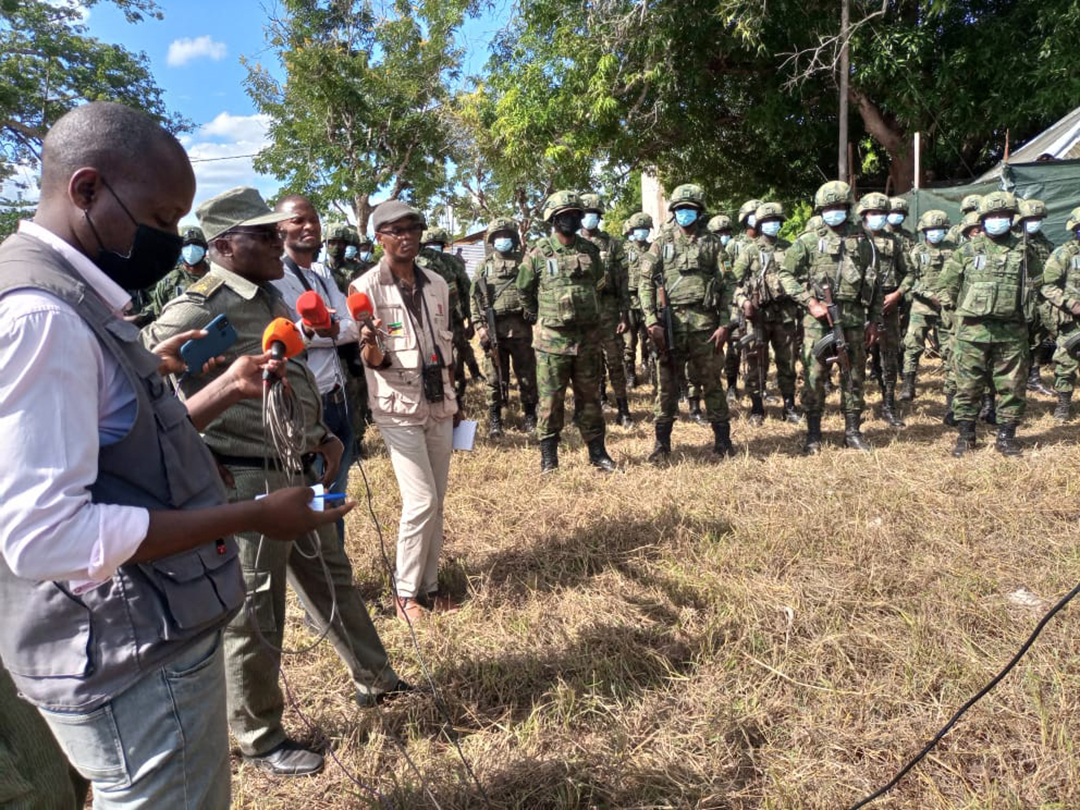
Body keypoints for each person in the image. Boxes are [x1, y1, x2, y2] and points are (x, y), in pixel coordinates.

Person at [0, 101, 350, 807]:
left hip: (136, 634)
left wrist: (209, 386)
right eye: (161, 220)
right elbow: (42, 535)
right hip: (129, 650)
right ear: (87, 189)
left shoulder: (67, 298)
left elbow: (108, 457)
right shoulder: (43, 317)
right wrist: (249, 516)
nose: (172, 240)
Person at [146, 186, 405, 778]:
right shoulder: (198, 306)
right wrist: (193, 450)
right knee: (256, 614)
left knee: (331, 578)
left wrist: (321, 436)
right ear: (222, 246)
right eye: (261, 235)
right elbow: (143, 383)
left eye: (274, 232)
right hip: (244, 480)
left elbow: (287, 373)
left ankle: (377, 680)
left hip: (298, 465)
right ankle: (260, 737)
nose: (276, 240)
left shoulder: (269, 293)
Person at [351, 200, 461, 622]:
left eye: (412, 228)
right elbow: (373, 360)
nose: (406, 237)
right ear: (379, 238)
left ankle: (430, 589)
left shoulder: (437, 283)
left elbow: (447, 346)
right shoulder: (365, 288)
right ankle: (404, 594)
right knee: (421, 500)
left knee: (438, 500)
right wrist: (369, 340)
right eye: (395, 230)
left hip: (439, 401)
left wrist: (456, 400)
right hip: (397, 406)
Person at [271, 196, 360, 544]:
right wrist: (316, 331)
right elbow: (286, 338)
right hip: (306, 404)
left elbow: (350, 327)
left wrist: (320, 331)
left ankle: (335, 564)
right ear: (279, 228)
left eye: (313, 220)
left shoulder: (322, 272)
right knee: (312, 493)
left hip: (338, 397)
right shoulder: (276, 279)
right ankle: (323, 571)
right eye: (297, 220)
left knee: (335, 492)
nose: (308, 226)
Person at [517, 190, 618, 473]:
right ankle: (549, 458)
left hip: (587, 340)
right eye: (565, 216)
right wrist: (538, 313)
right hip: (552, 342)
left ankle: (597, 453)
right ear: (553, 219)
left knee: (591, 399)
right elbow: (523, 289)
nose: (572, 219)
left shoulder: (589, 251)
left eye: (576, 214)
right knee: (550, 402)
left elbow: (598, 282)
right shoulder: (538, 252)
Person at [938, 191, 1044, 456]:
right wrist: (957, 314)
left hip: (1012, 331)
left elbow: (1038, 283)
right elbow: (945, 287)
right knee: (968, 385)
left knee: (1012, 386)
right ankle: (966, 435)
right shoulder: (967, 250)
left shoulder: (1023, 250)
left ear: (1012, 218)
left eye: (1003, 215)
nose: (998, 220)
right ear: (983, 220)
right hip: (972, 332)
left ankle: (1006, 437)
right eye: (993, 215)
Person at [779, 180, 881, 454]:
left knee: (854, 375)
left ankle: (852, 431)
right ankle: (813, 433)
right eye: (828, 207)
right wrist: (809, 302)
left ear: (848, 208)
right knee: (815, 374)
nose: (833, 211)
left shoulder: (864, 240)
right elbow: (785, 275)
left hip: (854, 317)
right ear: (820, 210)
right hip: (818, 321)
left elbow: (875, 283)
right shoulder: (808, 240)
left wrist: (875, 319)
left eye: (839, 207)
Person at [639, 183, 736, 462]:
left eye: (690, 210)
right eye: (680, 210)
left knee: (711, 383)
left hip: (706, 326)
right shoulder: (662, 243)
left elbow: (729, 284)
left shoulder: (713, 243)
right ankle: (661, 444)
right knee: (666, 385)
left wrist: (725, 323)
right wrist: (650, 321)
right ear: (673, 213)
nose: (685, 214)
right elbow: (645, 282)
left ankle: (723, 441)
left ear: (699, 212)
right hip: (670, 326)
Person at [731, 201, 801, 425]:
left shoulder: (790, 248)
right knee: (755, 362)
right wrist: (743, 302)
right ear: (760, 224)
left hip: (785, 315)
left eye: (775, 221)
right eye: (767, 221)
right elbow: (732, 282)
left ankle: (789, 407)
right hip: (757, 317)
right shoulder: (750, 251)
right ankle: (757, 408)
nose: (772, 225)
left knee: (787, 362)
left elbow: (802, 279)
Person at [471, 217, 538, 437]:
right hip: (494, 331)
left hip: (520, 329)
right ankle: (495, 420)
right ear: (492, 240)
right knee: (494, 377)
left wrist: (533, 311)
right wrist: (480, 329)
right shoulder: (484, 266)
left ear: (514, 239)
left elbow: (536, 289)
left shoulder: (524, 262)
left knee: (527, 376)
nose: (503, 240)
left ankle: (530, 416)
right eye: (498, 237)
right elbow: (474, 300)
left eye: (507, 236)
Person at [579, 193, 632, 426]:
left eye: (594, 214)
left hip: (609, 311)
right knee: (588, 363)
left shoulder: (612, 244)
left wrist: (625, 313)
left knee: (615, 361)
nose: (590, 218)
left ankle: (623, 409)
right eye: (586, 213)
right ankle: (596, 403)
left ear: (599, 217)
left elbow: (623, 280)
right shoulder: (573, 244)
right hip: (582, 313)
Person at [858, 191, 910, 428]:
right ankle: (854, 407)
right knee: (855, 357)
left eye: (882, 213)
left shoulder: (894, 242)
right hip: (859, 306)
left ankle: (889, 403)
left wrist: (898, 294)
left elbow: (910, 273)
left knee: (889, 357)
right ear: (864, 214)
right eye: (873, 213)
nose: (877, 217)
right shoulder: (854, 239)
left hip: (888, 304)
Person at [899, 210, 953, 403]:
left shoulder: (953, 251)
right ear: (924, 231)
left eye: (939, 229)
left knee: (949, 348)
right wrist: (929, 295)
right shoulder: (917, 251)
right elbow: (909, 278)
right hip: (921, 307)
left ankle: (951, 389)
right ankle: (908, 384)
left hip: (946, 307)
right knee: (913, 346)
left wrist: (946, 298)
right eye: (931, 229)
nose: (935, 232)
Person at [421, 226, 483, 393]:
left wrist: (470, 319)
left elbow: (465, 289)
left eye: (437, 245)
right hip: (424, 321)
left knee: (456, 350)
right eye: (430, 245)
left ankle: (457, 385)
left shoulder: (451, 262)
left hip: (451, 317)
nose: (433, 249)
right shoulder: (413, 263)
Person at [1037, 205, 1080, 421]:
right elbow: (1047, 286)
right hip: (1073, 320)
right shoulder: (1064, 254)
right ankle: (1063, 404)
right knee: (1066, 362)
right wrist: (1071, 304)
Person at [724, 199, 763, 402]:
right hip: (736, 304)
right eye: (753, 214)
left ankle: (758, 388)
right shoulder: (734, 245)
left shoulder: (767, 243)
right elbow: (727, 275)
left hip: (760, 304)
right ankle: (731, 386)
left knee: (758, 347)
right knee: (734, 347)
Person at [1017, 198, 1056, 396]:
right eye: (1031, 218)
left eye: (1039, 218)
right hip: (1017, 299)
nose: (1035, 222)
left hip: (1039, 298)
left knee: (1038, 339)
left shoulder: (1044, 242)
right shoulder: (1013, 240)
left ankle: (1033, 377)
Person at [624, 211, 656, 389]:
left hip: (648, 301)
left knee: (650, 339)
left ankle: (652, 371)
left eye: (644, 229)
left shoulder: (654, 249)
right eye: (638, 229)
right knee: (629, 342)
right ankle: (630, 374)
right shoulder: (624, 250)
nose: (641, 232)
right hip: (629, 302)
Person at [148, 225, 209, 318]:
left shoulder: (217, 273)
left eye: (196, 244)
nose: (191, 249)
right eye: (186, 245)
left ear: (205, 248)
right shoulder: (168, 281)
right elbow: (160, 316)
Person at [323, 221, 365, 294]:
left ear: (345, 245)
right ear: (326, 244)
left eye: (340, 243)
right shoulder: (321, 269)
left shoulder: (357, 269)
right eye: (332, 243)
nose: (336, 246)